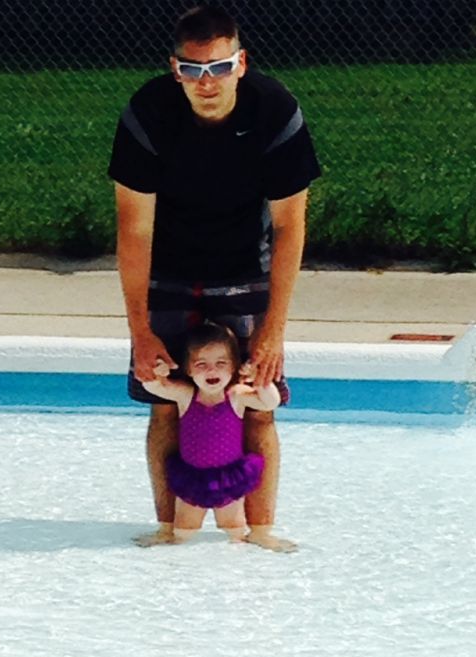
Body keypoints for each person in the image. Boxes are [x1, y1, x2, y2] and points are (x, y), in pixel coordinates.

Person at [108, 5, 321, 551]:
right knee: (164, 405)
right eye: (193, 69)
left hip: (244, 269)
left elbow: (290, 226)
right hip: (169, 272)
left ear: (241, 62)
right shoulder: (148, 113)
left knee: (256, 398)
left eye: (219, 67)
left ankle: (260, 531)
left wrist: (274, 327)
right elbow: (134, 230)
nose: (207, 82)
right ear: (174, 68)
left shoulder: (275, 110)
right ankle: (169, 529)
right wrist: (140, 330)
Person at [142, 323, 287, 546]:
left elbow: (270, 402)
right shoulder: (186, 395)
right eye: (202, 364)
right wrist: (158, 373)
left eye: (221, 363)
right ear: (189, 370)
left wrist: (260, 381)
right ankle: (173, 557)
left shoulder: (237, 395)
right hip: (191, 476)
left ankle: (238, 560)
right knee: (183, 530)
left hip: (230, 476)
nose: (212, 371)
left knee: (234, 528)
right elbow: (154, 387)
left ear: (233, 368)